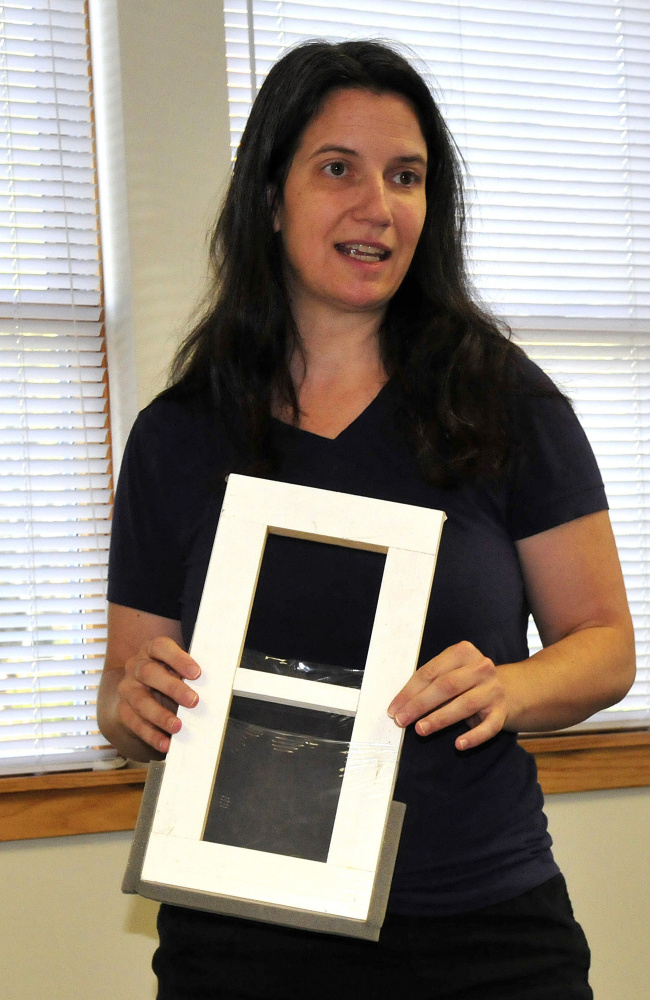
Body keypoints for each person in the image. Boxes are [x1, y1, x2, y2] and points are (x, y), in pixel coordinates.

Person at [99, 39, 635, 1000]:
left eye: (406, 176)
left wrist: (509, 686)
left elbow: (604, 647)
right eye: (338, 169)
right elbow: (124, 696)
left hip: (483, 934)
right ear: (272, 198)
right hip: (240, 939)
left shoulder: (507, 404)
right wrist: (135, 707)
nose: (377, 207)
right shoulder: (177, 435)